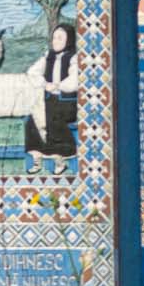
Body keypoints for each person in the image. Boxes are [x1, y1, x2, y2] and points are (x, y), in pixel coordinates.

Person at [27, 22, 81, 173]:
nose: (55, 41)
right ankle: (37, 158)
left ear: (68, 40)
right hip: (51, 100)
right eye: (54, 38)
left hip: (68, 103)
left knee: (52, 116)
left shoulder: (73, 57)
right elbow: (32, 72)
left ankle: (60, 159)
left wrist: (57, 85)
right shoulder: (48, 56)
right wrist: (44, 84)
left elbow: (74, 80)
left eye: (60, 38)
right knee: (33, 118)